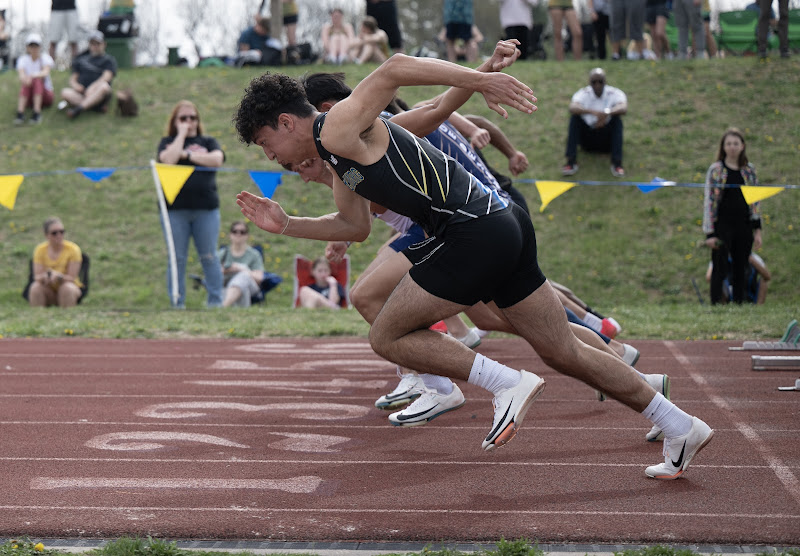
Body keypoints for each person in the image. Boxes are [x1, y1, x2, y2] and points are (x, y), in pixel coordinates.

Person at [233, 50, 713, 479]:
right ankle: (680, 425)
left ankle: (506, 383)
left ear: (286, 122)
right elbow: (353, 226)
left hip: (473, 231)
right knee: (562, 350)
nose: (269, 155)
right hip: (500, 224)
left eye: (263, 143)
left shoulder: (334, 126)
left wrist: (481, 80)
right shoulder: (341, 158)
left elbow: (395, 68)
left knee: (387, 335)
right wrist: (288, 223)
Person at [157, 100, 225, 308]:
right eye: (183, 118)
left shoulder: (208, 141)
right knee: (177, 259)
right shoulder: (167, 142)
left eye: (192, 118)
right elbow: (167, 159)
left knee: (209, 256)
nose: (189, 122)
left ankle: (216, 303)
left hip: (206, 209)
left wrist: (186, 155)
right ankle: (177, 304)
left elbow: (217, 159)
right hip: (175, 211)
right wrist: (180, 136)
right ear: (175, 121)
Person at [703, 128, 763, 306]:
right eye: (728, 143)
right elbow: (710, 201)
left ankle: (740, 303)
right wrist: (709, 233)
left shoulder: (749, 172)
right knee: (719, 265)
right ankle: (716, 304)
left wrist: (757, 230)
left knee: (741, 266)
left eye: (736, 143)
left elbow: (756, 202)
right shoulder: (716, 170)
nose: (732, 147)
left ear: (742, 146)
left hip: (744, 225)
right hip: (722, 225)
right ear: (723, 146)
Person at [562, 67, 627, 178]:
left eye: (600, 82)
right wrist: (592, 112)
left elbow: (623, 108)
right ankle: (571, 162)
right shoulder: (583, 93)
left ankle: (617, 163)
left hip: (607, 141)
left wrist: (606, 114)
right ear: (589, 82)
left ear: (605, 82)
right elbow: (572, 107)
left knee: (617, 121)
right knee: (575, 118)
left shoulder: (614, 93)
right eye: (594, 82)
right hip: (587, 139)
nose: (597, 85)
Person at [60, 30, 117, 119]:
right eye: (92, 44)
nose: (95, 46)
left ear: (104, 44)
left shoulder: (109, 60)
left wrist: (93, 87)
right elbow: (73, 78)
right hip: (83, 93)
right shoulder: (81, 59)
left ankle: (78, 109)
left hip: (100, 92)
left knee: (104, 87)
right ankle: (94, 106)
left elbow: (106, 77)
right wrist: (76, 86)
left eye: (98, 44)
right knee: (65, 92)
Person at [28, 217, 84, 308]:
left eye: (61, 232)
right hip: (48, 289)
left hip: (68, 288)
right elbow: (37, 276)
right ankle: (37, 316)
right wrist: (46, 276)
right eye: (54, 233)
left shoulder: (73, 249)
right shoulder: (40, 250)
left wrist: (59, 276)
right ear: (46, 235)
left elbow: (72, 278)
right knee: (35, 287)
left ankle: (67, 316)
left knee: (67, 288)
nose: (59, 235)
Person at [218, 221, 266, 308]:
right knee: (243, 290)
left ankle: (223, 307)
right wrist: (226, 270)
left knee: (243, 276)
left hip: (251, 285)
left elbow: (259, 277)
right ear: (230, 234)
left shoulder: (254, 254)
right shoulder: (223, 253)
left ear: (247, 236)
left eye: (242, 232)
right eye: (235, 231)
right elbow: (212, 275)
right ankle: (240, 315)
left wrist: (242, 269)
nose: (238, 234)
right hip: (226, 285)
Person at [15, 33, 55, 125]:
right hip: (30, 95)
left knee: (37, 80)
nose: (34, 48)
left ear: (40, 46)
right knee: (26, 83)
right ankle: (20, 113)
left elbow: (45, 72)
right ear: (27, 47)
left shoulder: (45, 58)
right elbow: (21, 75)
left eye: (36, 45)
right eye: (31, 46)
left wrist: (31, 76)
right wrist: (25, 79)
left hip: (46, 96)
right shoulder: (23, 59)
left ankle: (37, 113)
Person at [705, 252, 770, 305]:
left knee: (764, 280)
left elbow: (767, 277)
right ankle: (722, 306)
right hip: (728, 292)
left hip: (749, 290)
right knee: (717, 280)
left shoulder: (754, 257)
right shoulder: (721, 256)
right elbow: (708, 278)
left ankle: (759, 306)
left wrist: (751, 260)